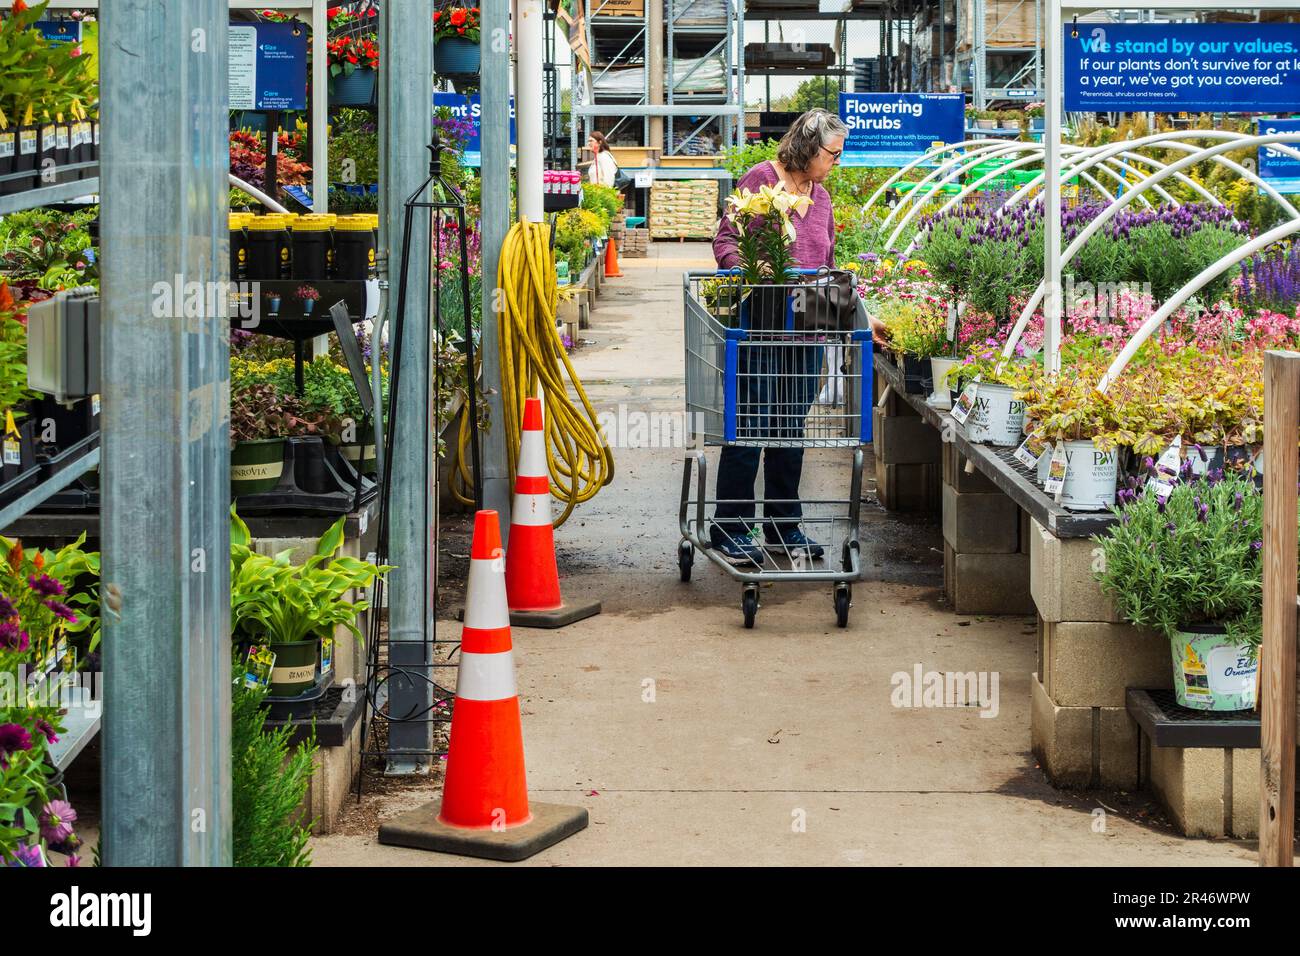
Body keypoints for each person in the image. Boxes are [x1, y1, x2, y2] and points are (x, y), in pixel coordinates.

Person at [708, 108, 849, 565]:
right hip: (762, 315)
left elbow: (826, 262)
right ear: (808, 147)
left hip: (809, 322)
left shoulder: (821, 197)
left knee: (789, 428)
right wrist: (749, 268)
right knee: (750, 425)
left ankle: (783, 526)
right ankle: (729, 527)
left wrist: (858, 311)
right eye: (832, 154)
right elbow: (726, 239)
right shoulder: (760, 180)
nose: (835, 163)